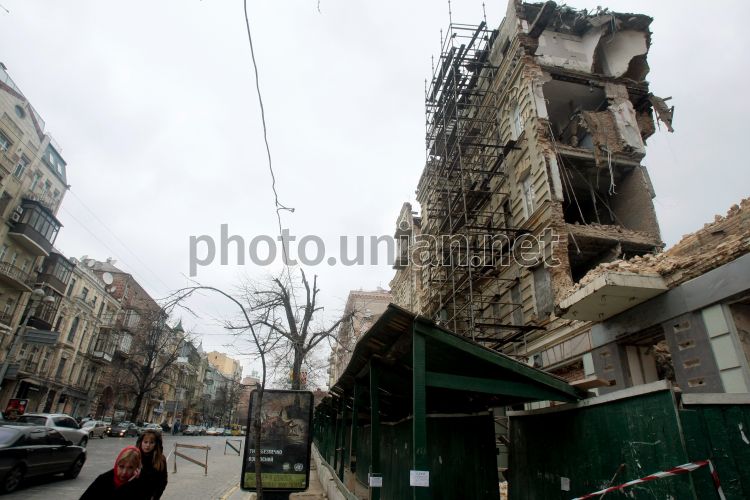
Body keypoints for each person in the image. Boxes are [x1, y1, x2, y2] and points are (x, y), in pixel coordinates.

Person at [80, 446, 149, 499]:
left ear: (137, 468)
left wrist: (132, 483)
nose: (124, 472)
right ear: (117, 464)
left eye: (130, 468)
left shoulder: (140, 484)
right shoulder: (103, 480)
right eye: (121, 466)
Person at [136, 430, 168, 499]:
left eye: (152, 443)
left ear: (156, 444)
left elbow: (163, 481)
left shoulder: (160, 459)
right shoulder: (134, 456)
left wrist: (155, 496)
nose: (148, 445)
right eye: (145, 442)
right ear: (141, 442)